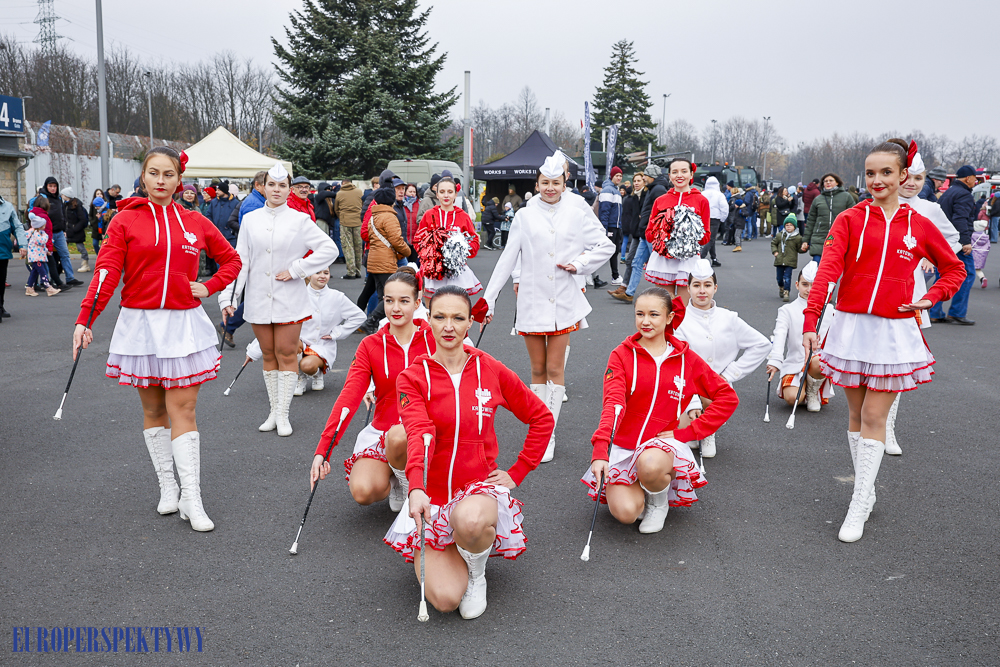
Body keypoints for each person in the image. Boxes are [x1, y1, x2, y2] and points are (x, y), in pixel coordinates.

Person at [802, 138, 965, 543]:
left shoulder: (919, 224)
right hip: (851, 327)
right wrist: (810, 320)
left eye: (886, 172)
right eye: (870, 173)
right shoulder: (850, 219)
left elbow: (954, 269)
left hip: (894, 331)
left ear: (903, 175)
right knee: (856, 416)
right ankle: (867, 490)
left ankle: (858, 503)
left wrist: (930, 297)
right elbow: (827, 271)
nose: (877, 180)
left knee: (875, 417)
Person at [71, 146, 242, 532]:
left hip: (183, 325)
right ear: (143, 177)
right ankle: (169, 487)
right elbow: (106, 272)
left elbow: (232, 260)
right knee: (153, 411)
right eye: (154, 173)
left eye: (168, 174)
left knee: (184, 409)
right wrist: (85, 319)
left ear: (179, 180)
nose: (161, 181)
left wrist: (209, 286)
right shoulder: (124, 220)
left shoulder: (195, 221)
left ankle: (192, 498)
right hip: (141, 325)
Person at [384, 285, 554, 620]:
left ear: (469, 324)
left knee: (471, 521)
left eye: (458, 318)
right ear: (428, 321)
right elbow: (418, 433)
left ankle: (477, 572)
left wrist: (519, 470)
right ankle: (453, 554)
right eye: (440, 317)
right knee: (446, 600)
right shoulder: (412, 377)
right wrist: (416, 487)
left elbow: (541, 417)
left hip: (476, 491)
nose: (449, 326)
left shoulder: (490, 368)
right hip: (433, 497)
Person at [480, 151, 615, 462]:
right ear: (536, 184)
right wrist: (490, 298)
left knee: (555, 368)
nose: (550, 188)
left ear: (564, 183)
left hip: (564, 299)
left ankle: (547, 433)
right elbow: (508, 258)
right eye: (545, 183)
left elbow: (605, 245)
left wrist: (580, 264)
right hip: (532, 298)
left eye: (556, 182)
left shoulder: (578, 209)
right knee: (537, 369)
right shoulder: (525, 215)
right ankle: (542, 429)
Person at [582, 287, 738, 533]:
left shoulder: (687, 360)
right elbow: (613, 404)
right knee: (626, 513)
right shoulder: (621, 355)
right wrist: (601, 449)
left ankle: (658, 501)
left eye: (654, 314)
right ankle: (640, 490)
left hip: (660, 446)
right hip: (624, 446)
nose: (645, 321)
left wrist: (690, 433)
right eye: (640, 314)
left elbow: (727, 397)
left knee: (651, 464)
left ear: (669, 318)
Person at [219, 162, 339, 437]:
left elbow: (329, 249)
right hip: (258, 297)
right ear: (262, 187)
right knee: (268, 354)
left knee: (286, 353)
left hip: (289, 297)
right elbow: (241, 260)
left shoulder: (300, 220)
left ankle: (282, 414)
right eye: (271, 185)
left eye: (282, 185)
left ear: (289, 189)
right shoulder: (250, 219)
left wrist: (298, 269)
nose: (276, 189)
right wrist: (229, 297)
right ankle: (274, 411)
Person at [310, 270, 435, 511]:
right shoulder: (370, 345)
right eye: (389, 300)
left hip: (428, 433)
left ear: (417, 302)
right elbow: (349, 397)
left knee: (402, 434)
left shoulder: (435, 339)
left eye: (404, 301)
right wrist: (323, 451)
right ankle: (400, 481)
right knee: (363, 490)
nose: (395, 308)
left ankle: (413, 483)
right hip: (384, 431)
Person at [675, 259, 770, 458]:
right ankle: (693, 423)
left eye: (707, 285)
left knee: (711, 393)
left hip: (715, 389)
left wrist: (728, 375)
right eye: (696, 285)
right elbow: (678, 362)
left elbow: (762, 345)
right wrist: (693, 403)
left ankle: (708, 431)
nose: (702, 291)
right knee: (681, 436)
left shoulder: (729, 318)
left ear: (715, 288)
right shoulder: (679, 320)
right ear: (688, 288)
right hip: (684, 386)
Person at [247, 268, 365, 394]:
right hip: (299, 343)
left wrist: (336, 333)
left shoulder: (337, 297)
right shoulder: (297, 296)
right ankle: (300, 377)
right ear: (308, 275)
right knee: (288, 341)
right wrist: (253, 352)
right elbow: (278, 325)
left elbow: (359, 316)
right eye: (317, 272)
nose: (322, 276)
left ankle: (317, 373)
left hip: (322, 346)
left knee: (307, 366)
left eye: (326, 273)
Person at [766, 262, 834, 412]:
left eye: (814, 285)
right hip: (795, 362)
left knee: (819, 360)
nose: (809, 290)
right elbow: (779, 335)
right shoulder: (787, 310)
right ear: (797, 285)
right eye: (805, 284)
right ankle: (804, 387)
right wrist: (775, 360)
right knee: (792, 399)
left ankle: (812, 391)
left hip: (817, 364)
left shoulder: (829, 310)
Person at [642, 159, 712, 304]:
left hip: (688, 260)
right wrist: (662, 232)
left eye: (684, 171)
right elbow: (649, 234)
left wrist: (688, 234)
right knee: (664, 307)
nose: (679, 175)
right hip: (663, 260)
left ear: (691, 174)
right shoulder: (660, 200)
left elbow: (706, 236)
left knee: (683, 308)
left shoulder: (701, 200)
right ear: (669, 176)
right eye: (675, 172)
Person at [356, 187, 413, 334]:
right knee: (391, 295)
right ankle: (371, 321)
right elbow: (396, 240)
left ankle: (370, 322)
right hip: (385, 262)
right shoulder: (389, 216)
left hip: (374, 259)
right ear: (391, 200)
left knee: (382, 294)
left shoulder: (374, 216)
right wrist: (408, 251)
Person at [415, 177, 481, 298]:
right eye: (442, 192)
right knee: (433, 307)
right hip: (433, 272)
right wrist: (430, 252)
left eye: (450, 192)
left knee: (456, 307)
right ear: (437, 194)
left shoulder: (463, 216)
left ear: (455, 194)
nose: (446, 195)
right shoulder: (429, 215)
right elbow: (418, 240)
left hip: (456, 272)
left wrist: (460, 250)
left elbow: (474, 241)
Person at [611, 164, 668, 304]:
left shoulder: (658, 189)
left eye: (645, 176)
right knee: (636, 263)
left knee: (656, 265)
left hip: (650, 234)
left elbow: (662, 212)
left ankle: (662, 296)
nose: (643, 179)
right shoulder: (654, 189)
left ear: (651, 176)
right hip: (645, 233)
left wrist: (649, 222)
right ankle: (629, 293)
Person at [929, 165, 977, 325]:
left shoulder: (949, 192)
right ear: (968, 178)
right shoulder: (964, 194)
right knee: (967, 274)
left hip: (943, 240)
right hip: (957, 242)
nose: (975, 181)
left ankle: (935, 311)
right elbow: (960, 219)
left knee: (942, 274)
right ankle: (957, 312)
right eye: (974, 178)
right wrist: (966, 242)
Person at [801, 173, 855, 263]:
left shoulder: (846, 197)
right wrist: (805, 240)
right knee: (817, 266)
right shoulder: (818, 199)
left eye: (831, 180)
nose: (828, 183)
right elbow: (811, 221)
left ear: (837, 182)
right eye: (825, 181)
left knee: (835, 267)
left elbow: (854, 218)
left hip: (840, 238)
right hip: (819, 237)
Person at [42, 177, 82, 288]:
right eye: (50, 186)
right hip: (48, 233)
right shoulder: (43, 198)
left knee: (65, 255)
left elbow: (63, 215)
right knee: (47, 257)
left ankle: (70, 278)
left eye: (54, 186)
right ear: (46, 186)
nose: (53, 188)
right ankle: (45, 280)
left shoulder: (59, 199)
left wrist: (64, 229)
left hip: (59, 232)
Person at [0, 193, 28, 314]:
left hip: (2, 251)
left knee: (1, 281)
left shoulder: (7, 207)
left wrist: (22, 245)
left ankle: (0, 306)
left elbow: (17, 227)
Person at [598, 166, 625, 285]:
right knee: (608, 251)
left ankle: (615, 276)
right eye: (617, 176)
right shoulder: (608, 190)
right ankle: (614, 276)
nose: (619, 178)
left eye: (620, 176)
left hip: (616, 225)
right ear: (612, 176)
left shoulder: (615, 190)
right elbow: (604, 211)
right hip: (611, 226)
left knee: (613, 251)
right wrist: (604, 228)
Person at [334, 178, 364, 280]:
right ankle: (358, 271)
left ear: (342, 183)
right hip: (358, 221)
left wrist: (342, 217)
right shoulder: (359, 191)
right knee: (358, 247)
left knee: (348, 247)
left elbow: (336, 209)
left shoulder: (339, 193)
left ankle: (351, 272)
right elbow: (363, 205)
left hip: (345, 222)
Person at [25, 212, 59, 296]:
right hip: (36, 257)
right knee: (43, 272)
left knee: (34, 273)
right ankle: (48, 287)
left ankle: (29, 288)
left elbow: (41, 246)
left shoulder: (38, 233)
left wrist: (46, 250)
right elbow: (41, 242)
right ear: (39, 226)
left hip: (38, 256)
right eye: (43, 225)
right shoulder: (36, 234)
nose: (45, 226)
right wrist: (45, 236)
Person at [772, 215, 805, 301]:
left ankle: (786, 292)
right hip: (780, 259)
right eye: (787, 225)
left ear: (794, 227)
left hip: (790, 260)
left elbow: (799, 249)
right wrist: (775, 251)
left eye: (791, 225)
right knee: (779, 278)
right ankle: (781, 287)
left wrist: (804, 249)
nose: (789, 227)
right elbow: (773, 243)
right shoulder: (780, 235)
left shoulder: (797, 237)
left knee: (787, 277)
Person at [62, 187, 91, 274]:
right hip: (67, 231)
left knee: (80, 248)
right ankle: (64, 266)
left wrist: (75, 228)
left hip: (76, 231)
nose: (61, 196)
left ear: (66, 195)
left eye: (63, 194)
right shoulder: (64, 205)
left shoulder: (77, 205)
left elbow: (83, 220)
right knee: (64, 249)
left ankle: (85, 264)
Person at [700, 176, 727, 267]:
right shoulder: (719, 195)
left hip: (704, 218)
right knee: (711, 239)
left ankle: (714, 258)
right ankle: (701, 257)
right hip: (715, 218)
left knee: (710, 238)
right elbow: (724, 207)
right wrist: (723, 218)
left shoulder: (702, 194)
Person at [402, 183, 420, 256]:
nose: (412, 193)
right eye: (410, 191)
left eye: (414, 192)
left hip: (416, 240)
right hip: (403, 240)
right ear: (405, 192)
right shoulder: (401, 204)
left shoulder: (419, 204)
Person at [88, 189, 106, 256]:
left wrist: (100, 218)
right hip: (96, 228)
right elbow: (90, 215)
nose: (99, 195)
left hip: (103, 228)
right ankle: (99, 255)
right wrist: (92, 222)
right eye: (98, 194)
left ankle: (103, 256)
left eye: (100, 194)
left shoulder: (105, 205)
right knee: (95, 244)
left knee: (104, 244)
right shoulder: (93, 205)